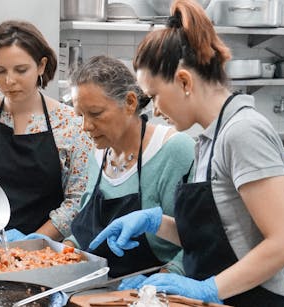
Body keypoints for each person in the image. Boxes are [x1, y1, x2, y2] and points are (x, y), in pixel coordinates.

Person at [90, 0, 284, 305]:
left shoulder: (243, 132)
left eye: (155, 95)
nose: (155, 110)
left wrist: (207, 288)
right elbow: (219, 238)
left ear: (184, 81)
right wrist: (155, 222)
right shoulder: (209, 139)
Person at [0, 20, 92, 242]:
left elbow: (77, 202)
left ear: (41, 66)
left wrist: (30, 244)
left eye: (21, 70)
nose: (9, 81)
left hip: (42, 255)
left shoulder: (71, 123)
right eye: (0, 71)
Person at [66, 55, 194, 282]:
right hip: (97, 291)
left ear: (130, 102)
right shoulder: (97, 154)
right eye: (80, 116)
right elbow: (88, 234)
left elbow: (201, 239)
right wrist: (60, 252)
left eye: (95, 114)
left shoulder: (174, 151)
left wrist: (162, 282)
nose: (86, 126)